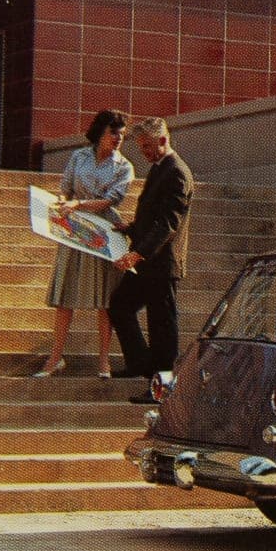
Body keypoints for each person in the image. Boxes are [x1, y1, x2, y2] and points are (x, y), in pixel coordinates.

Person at [35, 109, 135, 378]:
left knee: (105, 298)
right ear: (100, 132)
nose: (117, 138)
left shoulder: (124, 167)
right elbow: (65, 187)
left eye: (122, 135)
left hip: (104, 231)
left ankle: (104, 361)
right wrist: (60, 202)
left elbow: (111, 201)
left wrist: (78, 203)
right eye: (113, 132)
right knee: (66, 294)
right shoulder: (79, 156)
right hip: (74, 229)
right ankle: (55, 358)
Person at [109, 117, 194, 403]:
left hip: (161, 263)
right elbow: (151, 218)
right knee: (119, 306)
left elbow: (168, 223)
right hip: (146, 260)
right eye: (140, 147)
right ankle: (140, 364)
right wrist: (130, 229)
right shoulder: (159, 168)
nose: (143, 153)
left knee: (162, 325)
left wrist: (138, 252)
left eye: (146, 147)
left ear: (162, 140)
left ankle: (163, 385)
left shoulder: (177, 172)